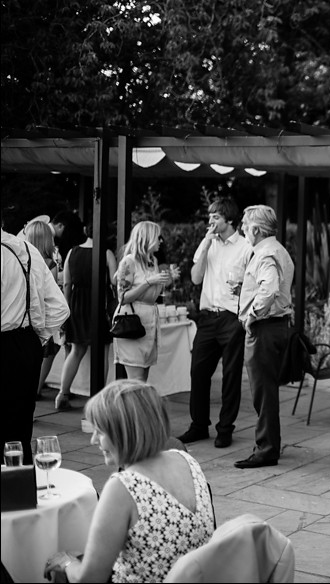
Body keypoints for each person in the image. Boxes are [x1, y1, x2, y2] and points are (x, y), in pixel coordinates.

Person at [43, 380, 214, 582]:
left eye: (100, 432)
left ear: (124, 432)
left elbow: (88, 579)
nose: (93, 440)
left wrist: (66, 561)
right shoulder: (186, 460)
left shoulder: (124, 487)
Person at [177, 198, 253, 449]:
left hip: (232, 318)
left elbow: (252, 283)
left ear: (229, 220)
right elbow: (196, 279)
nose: (210, 221)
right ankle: (199, 426)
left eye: (215, 217)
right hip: (208, 318)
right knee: (198, 372)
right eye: (209, 217)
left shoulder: (245, 247)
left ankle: (225, 429)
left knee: (231, 376)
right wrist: (207, 242)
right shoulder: (207, 243)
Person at [2, 216, 69, 465]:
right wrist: (36, 338)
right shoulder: (28, 250)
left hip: (13, 343)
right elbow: (60, 308)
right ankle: (22, 494)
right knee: (20, 428)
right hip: (25, 344)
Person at [233, 205, 295, 469]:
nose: (244, 231)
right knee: (266, 390)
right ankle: (270, 444)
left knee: (262, 392)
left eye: (245, 227)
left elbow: (268, 289)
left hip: (264, 329)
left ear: (256, 230)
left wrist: (251, 316)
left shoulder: (265, 253)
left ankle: (266, 450)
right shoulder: (278, 249)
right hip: (276, 326)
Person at [56, 219, 119, 410]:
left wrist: (67, 307)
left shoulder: (72, 253)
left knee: (76, 351)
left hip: (77, 304)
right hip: (99, 303)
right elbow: (115, 282)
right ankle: (99, 397)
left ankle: (62, 393)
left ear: (86, 230)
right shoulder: (106, 253)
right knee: (103, 352)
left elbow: (66, 284)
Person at [114, 221, 175, 382]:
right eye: (158, 237)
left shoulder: (152, 261)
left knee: (143, 378)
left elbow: (154, 291)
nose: (161, 241)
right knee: (136, 379)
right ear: (147, 238)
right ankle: (130, 407)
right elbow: (122, 297)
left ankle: (137, 407)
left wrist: (166, 279)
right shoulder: (129, 262)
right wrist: (149, 282)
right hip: (133, 319)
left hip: (150, 319)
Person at [22, 219, 63, 400]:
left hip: (23, 316)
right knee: (42, 356)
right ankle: (35, 390)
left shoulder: (22, 260)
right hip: (40, 319)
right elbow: (50, 297)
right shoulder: (50, 265)